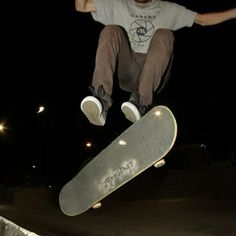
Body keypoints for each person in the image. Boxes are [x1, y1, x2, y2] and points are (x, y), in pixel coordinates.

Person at [76, 0, 236, 126]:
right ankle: (101, 100)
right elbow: (81, 6)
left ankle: (141, 103)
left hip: (153, 72)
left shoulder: (168, 9)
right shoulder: (117, 4)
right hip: (125, 70)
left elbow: (203, 20)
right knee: (110, 30)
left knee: (164, 34)